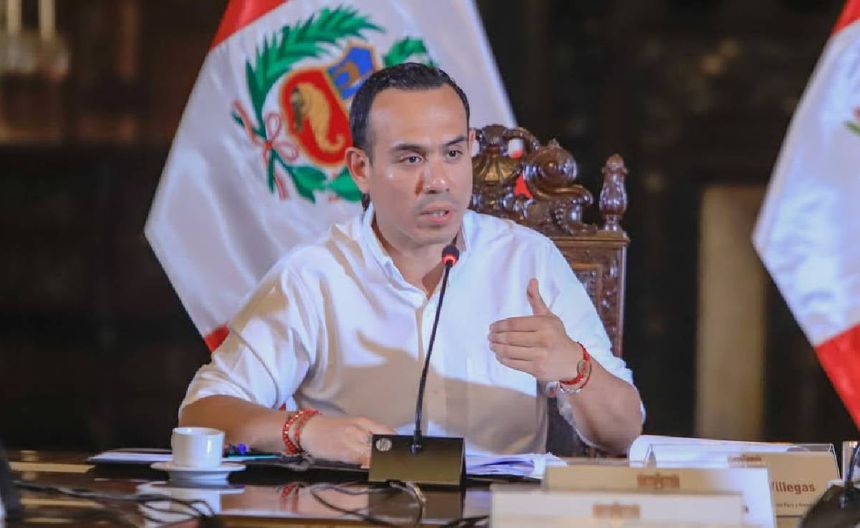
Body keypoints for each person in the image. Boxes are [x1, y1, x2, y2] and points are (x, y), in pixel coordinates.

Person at [178, 63, 643, 465]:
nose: (437, 181)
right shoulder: (314, 274)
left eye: (453, 153)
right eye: (411, 158)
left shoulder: (527, 259)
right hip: (354, 512)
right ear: (361, 169)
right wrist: (304, 430)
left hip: (501, 513)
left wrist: (574, 367)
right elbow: (202, 413)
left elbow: (623, 432)